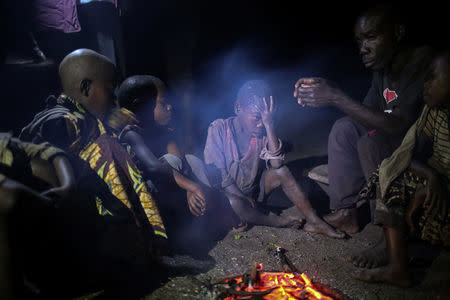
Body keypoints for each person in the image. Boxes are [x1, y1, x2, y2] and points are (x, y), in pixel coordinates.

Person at [294, 4, 433, 235]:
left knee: (372, 143)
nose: (363, 49)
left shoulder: (423, 62)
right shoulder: (383, 69)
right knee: (344, 128)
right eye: (359, 41)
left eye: (371, 38)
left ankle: (387, 230)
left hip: (424, 150)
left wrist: (337, 97)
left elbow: (400, 126)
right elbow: (367, 113)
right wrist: (329, 93)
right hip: (398, 143)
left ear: (398, 32)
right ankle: (346, 213)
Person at [19, 49, 167, 260]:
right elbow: (58, 131)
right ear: (86, 88)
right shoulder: (61, 118)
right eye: (109, 91)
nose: (113, 101)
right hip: (56, 219)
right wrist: (107, 123)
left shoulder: (84, 117)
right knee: (107, 146)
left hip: (73, 214)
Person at [350, 51, 450, 287]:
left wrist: (436, 186)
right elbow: (406, 154)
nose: (425, 86)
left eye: (434, 78)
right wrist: (430, 177)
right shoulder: (433, 113)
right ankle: (397, 266)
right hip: (437, 180)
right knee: (390, 172)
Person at [204, 80, 345, 238]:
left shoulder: (262, 132)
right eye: (257, 118)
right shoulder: (219, 129)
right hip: (228, 197)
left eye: (264, 120)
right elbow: (220, 177)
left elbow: (277, 164)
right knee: (234, 203)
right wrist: (242, 198)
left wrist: (269, 125)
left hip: (253, 194)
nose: (260, 125)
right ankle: (277, 221)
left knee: (282, 172)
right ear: (238, 108)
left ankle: (314, 221)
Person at [116, 75, 232, 249]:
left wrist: (189, 189)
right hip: (142, 192)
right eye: (161, 104)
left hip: (168, 181)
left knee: (192, 161)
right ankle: (178, 234)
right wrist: (192, 187)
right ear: (138, 105)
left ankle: (205, 218)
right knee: (169, 164)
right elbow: (154, 167)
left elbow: (182, 164)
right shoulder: (131, 132)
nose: (169, 107)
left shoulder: (162, 131)